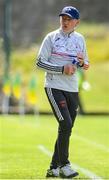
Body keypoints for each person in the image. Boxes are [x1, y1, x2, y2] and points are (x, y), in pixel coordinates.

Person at [36, 6, 89, 178]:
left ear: (76, 22)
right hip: (54, 86)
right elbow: (39, 63)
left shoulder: (80, 39)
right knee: (65, 124)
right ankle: (65, 165)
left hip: (72, 88)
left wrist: (81, 63)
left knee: (67, 127)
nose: (65, 22)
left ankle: (53, 167)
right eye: (63, 19)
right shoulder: (51, 37)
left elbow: (85, 63)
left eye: (69, 19)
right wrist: (61, 69)